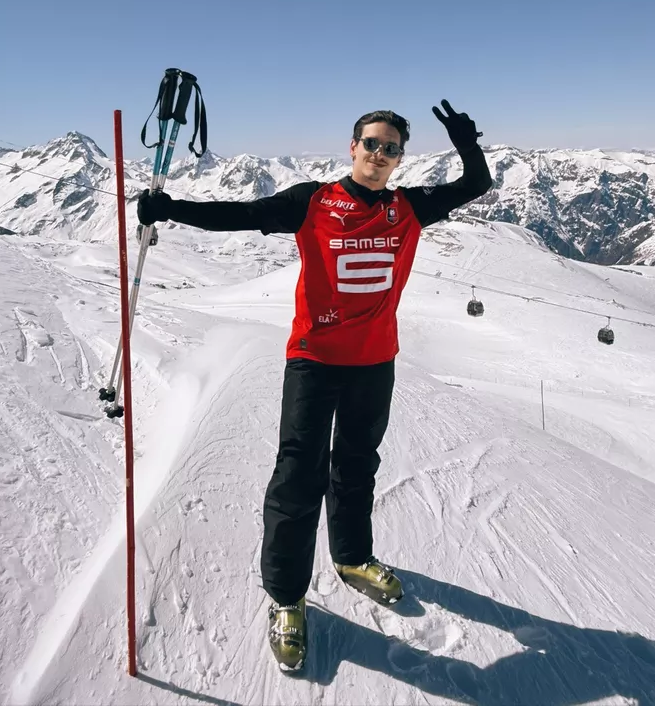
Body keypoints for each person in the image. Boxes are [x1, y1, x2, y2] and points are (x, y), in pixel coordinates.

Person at [137, 99, 492, 671]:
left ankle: (352, 557)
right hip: (314, 360)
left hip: (375, 362)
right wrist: (170, 208)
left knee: (357, 464)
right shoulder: (313, 201)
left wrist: (466, 143)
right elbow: (241, 214)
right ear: (353, 148)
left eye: (391, 148)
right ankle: (286, 596)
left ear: (400, 158)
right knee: (298, 476)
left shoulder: (409, 207)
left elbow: (476, 184)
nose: (380, 154)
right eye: (371, 143)